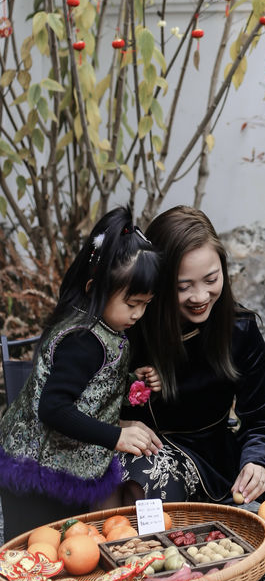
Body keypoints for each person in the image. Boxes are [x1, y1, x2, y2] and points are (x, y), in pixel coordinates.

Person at [0, 207, 163, 541]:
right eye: (132, 303)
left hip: (68, 462)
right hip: (37, 471)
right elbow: (54, 407)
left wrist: (133, 384)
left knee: (72, 547)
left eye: (145, 304)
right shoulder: (82, 340)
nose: (138, 314)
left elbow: (91, 386)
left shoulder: (104, 329)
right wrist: (116, 436)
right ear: (93, 288)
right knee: (34, 550)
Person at [119, 206, 265, 507]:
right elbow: (80, 402)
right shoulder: (129, 323)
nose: (200, 297)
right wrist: (118, 426)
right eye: (184, 287)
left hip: (210, 458)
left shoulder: (241, 330)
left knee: (153, 483)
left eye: (211, 280)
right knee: (134, 481)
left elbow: (264, 421)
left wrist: (258, 464)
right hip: (132, 452)